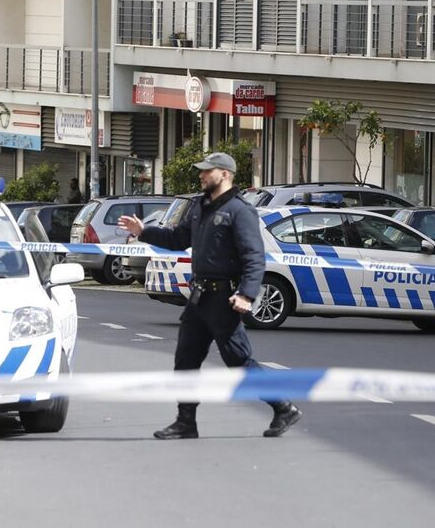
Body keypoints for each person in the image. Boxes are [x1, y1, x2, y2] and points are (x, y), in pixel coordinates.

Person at [117, 152, 302, 440]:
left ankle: (283, 407)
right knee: (185, 359)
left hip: (223, 300)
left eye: (207, 171)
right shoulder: (200, 207)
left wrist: (246, 294)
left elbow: (254, 258)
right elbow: (178, 239)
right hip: (198, 297)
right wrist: (143, 232)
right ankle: (185, 422)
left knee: (238, 361)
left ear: (225, 174)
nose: (201, 175)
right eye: (201, 171)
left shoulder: (241, 212)